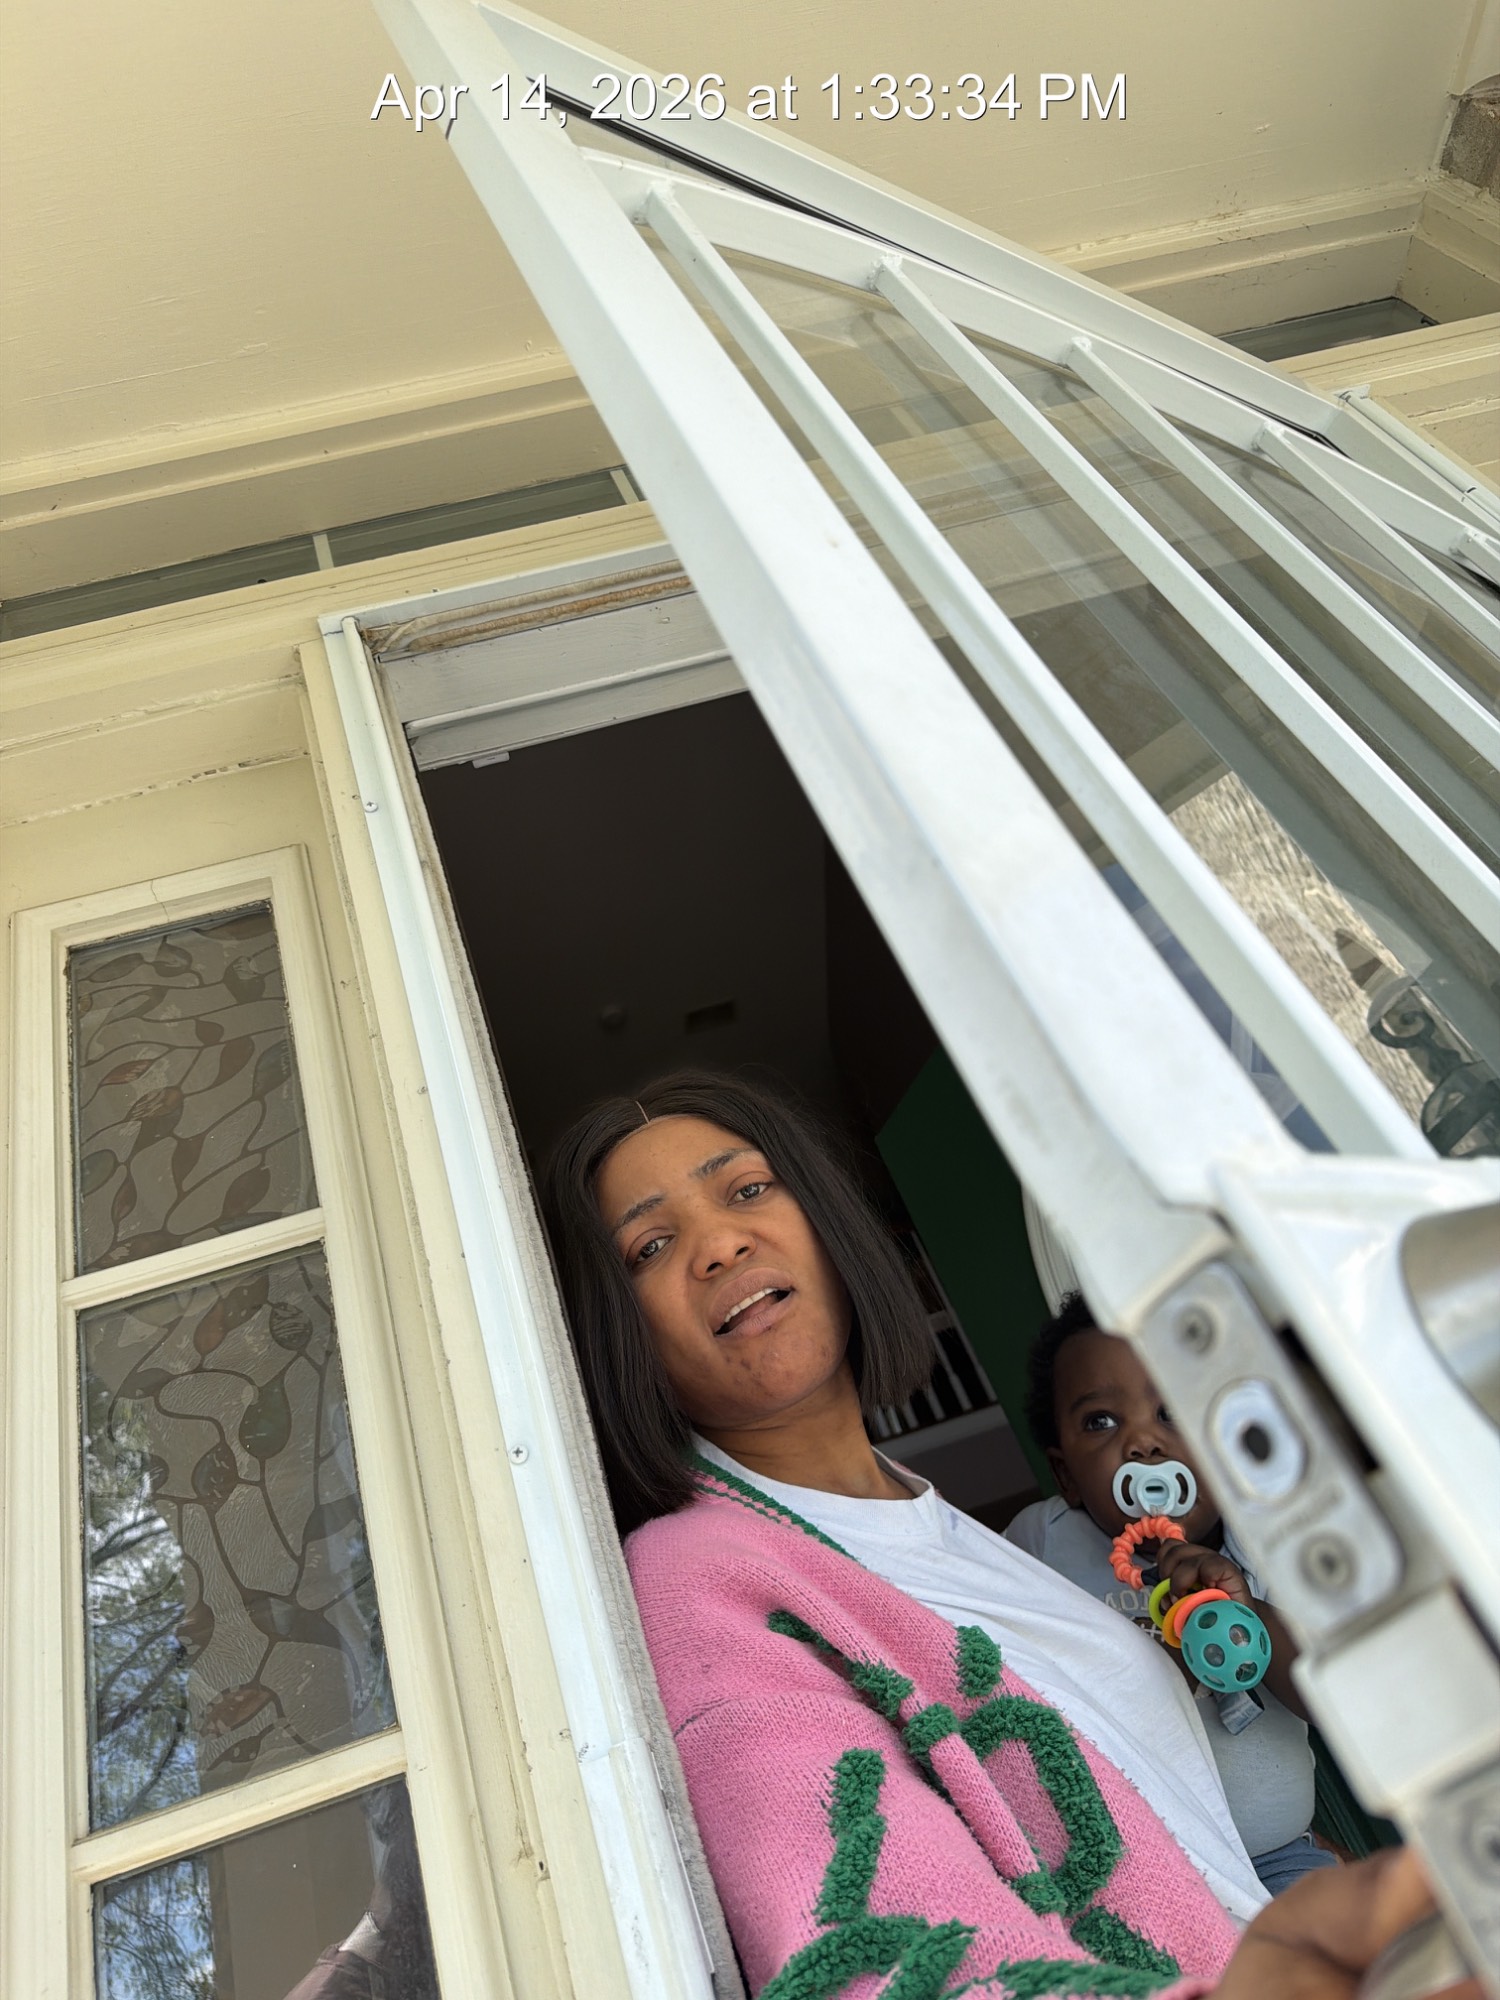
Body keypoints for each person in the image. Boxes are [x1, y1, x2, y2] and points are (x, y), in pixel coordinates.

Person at [543, 1069, 1476, 1999]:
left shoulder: (936, 1527)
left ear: (827, 1224)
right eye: (650, 1246)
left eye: (748, 1189)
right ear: (620, 1335)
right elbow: (879, 1959)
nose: (719, 1244)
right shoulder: (697, 1581)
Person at [1006, 1294, 1335, 1898]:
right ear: (1065, 1474)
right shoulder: (1043, 1545)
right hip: (1134, 1879)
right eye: (1101, 1421)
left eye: (1172, 1412)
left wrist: (1247, 1610)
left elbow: (1332, 1701)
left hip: (1276, 1861)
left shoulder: (1266, 1536)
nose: (1143, 1443)